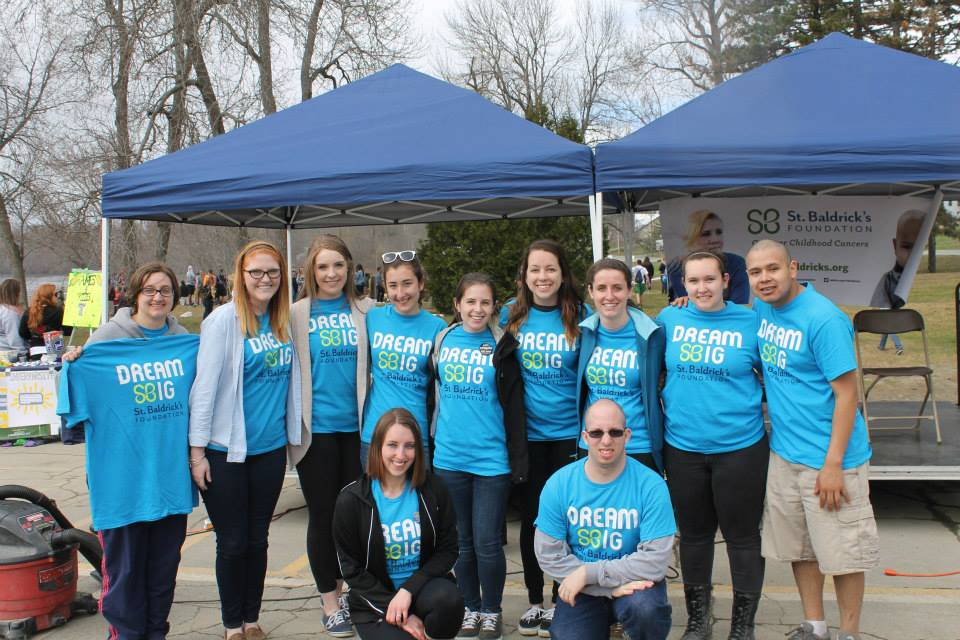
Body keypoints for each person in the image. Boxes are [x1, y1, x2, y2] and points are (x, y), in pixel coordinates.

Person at [746, 239, 879, 640]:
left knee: (842, 554)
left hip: (831, 458)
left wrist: (834, 464)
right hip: (786, 453)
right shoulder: (763, 308)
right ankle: (815, 626)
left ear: (793, 268)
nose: (765, 279)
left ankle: (849, 633)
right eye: (756, 272)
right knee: (799, 548)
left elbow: (848, 394)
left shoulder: (824, 319)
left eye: (773, 268)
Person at [59, 262, 195, 640]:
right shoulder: (105, 342)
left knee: (163, 573)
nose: (157, 297)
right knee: (123, 577)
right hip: (121, 487)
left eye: (165, 290)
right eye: (150, 290)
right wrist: (73, 364)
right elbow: (73, 419)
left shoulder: (185, 342)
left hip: (169, 482)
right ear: (135, 294)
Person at [189, 241, 301, 640]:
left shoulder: (283, 320)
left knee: (258, 539)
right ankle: (231, 624)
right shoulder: (223, 321)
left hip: (269, 451)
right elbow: (204, 388)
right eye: (256, 272)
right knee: (232, 542)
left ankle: (252, 620)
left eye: (272, 272)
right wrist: (197, 452)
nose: (265, 279)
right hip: (225, 452)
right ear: (242, 275)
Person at [656, 251, 768, 640]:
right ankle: (697, 621)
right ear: (682, 285)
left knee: (743, 538)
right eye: (693, 281)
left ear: (725, 280)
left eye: (709, 279)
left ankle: (743, 627)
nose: (702, 288)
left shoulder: (751, 320)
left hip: (740, 447)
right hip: (684, 448)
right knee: (694, 536)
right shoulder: (669, 318)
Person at [432, 272, 526, 640]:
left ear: (494, 307)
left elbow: (515, 406)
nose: (477, 309)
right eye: (470, 302)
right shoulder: (443, 339)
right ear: (457, 305)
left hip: (491, 461)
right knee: (461, 542)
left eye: (485, 302)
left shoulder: (503, 345)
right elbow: (433, 396)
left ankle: (492, 611)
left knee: (487, 541)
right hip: (449, 459)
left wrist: (517, 459)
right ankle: (470, 607)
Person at [500, 239, 587, 636]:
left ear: (563, 274)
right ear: (524, 276)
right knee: (534, 522)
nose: (543, 277)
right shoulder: (510, 317)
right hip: (528, 439)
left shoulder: (580, 318)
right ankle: (535, 601)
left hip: (569, 437)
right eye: (535, 269)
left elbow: (627, 319)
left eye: (550, 269)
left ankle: (560, 599)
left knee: (566, 523)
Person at [534, 399, 675, 640]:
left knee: (645, 610)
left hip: (634, 585)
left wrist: (589, 573)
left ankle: (630, 628)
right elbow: (548, 556)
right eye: (597, 433)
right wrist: (605, 587)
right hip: (584, 589)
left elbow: (655, 561)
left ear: (627, 435)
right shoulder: (559, 484)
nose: (606, 440)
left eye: (615, 432)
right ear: (585, 437)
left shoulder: (651, 486)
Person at [290, 234, 374, 637]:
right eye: (323, 266)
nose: (331, 274)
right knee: (323, 519)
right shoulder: (296, 314)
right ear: (312, 270)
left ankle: (359, 594)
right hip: (316, 433)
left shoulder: (367, 310)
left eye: (338, 265)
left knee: (357, 519)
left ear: (350, 268)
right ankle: (329, 601)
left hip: (358, 432)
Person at [333, 408, 464, 640]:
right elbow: (352, 571)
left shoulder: (434, 490)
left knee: (449, 600)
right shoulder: (351, 500)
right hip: (375, 601)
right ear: (377, 447)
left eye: (409, 446)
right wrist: (397, 610)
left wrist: (408, 590)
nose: (401, 455)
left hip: (421, 590)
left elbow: (448, 550)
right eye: (392, 445)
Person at [577, 258, 666, 473]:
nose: (609, 296)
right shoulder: (583, 333)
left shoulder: (654, 333)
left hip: (639, 444)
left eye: (617, 288)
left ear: (629, 289)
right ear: (591, 291)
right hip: (593, 444)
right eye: (601, 288)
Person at [361, 251, 446, 468]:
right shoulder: (373, 317)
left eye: (407, 283)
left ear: (421, 283)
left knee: (418, 501)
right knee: (375, 501)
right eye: (393, 286)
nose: (400, 293)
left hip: (417, 435)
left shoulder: (438, 329)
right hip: (375, 434)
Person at [871, 209, 925, 355]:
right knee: (889, 325)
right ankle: (889, 346)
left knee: (889, 326)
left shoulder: (904, 276)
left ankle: (892, 347)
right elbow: (881, 295)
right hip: (885, 303)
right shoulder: (887, 277)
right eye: (907, 247)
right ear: (895, 246)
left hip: (892, 304)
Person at [667, 211, 749, 304]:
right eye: (706, 234)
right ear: (692, 237)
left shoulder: (737, 263)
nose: (715, 240)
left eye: (719, 232)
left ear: (725, 279)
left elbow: (739, 305)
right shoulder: (676, 267)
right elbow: (688, 304)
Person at [19, 283, 72, 352]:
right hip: (55, 347)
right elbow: (68, 331)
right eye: (55, 294)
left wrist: (34, 336)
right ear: (51, 296)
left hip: (35, 348)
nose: (57, 297)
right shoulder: (58, 311)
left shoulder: (29, 311)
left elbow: (22, 332)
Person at [0, 278, 26, 352]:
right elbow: (14, 337)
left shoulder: (3, 308)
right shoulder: (10, 313)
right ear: (16, 293)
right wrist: (22, 353)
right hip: (8, 353)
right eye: (20, 291)